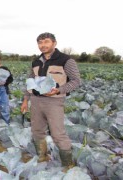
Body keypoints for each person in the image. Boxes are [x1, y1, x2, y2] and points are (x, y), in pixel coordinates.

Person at [20, 32, 81, 172]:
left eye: (46, 42)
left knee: (58, 133)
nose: (43, 45)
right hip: (36, 101)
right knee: (36, 130)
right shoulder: (36, 62)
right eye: (40, 43)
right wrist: (25, 100)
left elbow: (76, 81)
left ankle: (68, 165)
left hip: (54, 102)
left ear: (54, 43)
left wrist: (59, 90)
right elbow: (30, 82)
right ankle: (42, 156)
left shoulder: (66, 60)